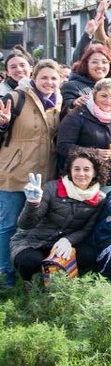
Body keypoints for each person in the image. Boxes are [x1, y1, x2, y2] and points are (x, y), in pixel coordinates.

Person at [0, 58, 65, 283]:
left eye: (53, 78)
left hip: (43, 177)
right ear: (34, 78)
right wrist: (3, 123)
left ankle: (28, 276)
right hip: (13, 173)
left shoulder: (58, 102)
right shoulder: (16, 98)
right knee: (8, 226)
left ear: (60, 80)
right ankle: (5, 276)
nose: (48, 82)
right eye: (43, 77)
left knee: (33, 228)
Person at [11, 150, 106, 281]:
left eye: (86, 169)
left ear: (94, 172)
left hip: (62, 243)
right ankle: (32, 283)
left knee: (89, 255)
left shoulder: (99, 199)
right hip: (32, 240)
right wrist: (32, 203)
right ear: (70, 171)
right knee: (30, 261)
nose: (81, 174)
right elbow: (25, 225)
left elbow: (86, 230)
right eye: (76, 169)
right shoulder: (52, 188)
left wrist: (68, 240)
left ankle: (60, 281)